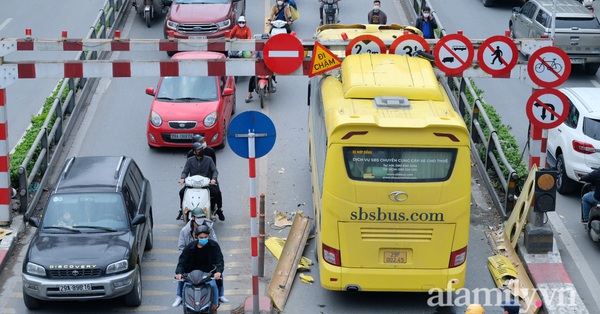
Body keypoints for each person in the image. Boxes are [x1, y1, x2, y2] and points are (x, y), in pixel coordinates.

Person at [173, 209, 227, 307]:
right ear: (196, 236)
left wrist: (218, 271)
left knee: (214, 286)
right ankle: (180, 298)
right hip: (192, 274)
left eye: (206, 237)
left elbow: (219, 260)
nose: (203, 239)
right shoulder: (189, 246)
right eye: (201, 238)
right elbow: (182, 262)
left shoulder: (213, 246)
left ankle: (216, 303)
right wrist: (179, 273)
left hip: (208, 273)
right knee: (185, 286)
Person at [179, 142, 225, 221]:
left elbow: (215, 171)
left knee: (215, 193)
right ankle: (182, 210)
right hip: (193, 183)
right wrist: (182, 178)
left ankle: (212, 210)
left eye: (201, 149)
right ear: (194, 152)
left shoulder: (209, 159)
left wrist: (213, 179)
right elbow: (185, 171)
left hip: (205, 183)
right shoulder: (190, 160)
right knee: (182, 192)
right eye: (198, 150)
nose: (201, 151)